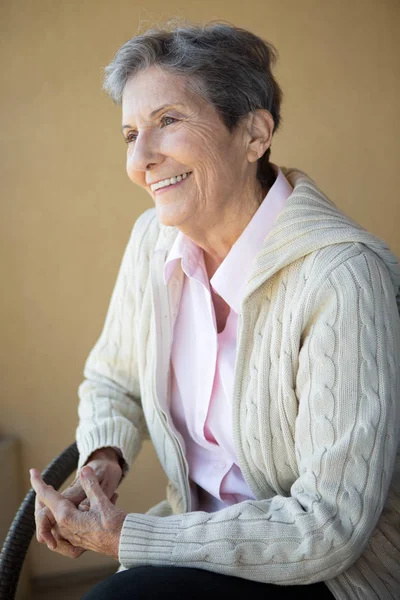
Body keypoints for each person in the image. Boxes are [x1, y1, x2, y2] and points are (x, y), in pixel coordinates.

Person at [30, 21, 400, 600]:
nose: (142, 158)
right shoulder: (152, 242)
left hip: (327, 575)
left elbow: (329, 527)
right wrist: (103, 460)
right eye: (130, 134)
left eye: (168, 121)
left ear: (254, 133)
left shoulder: (343, 278)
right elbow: (113, 379)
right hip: (191, 545)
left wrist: (132, 536)